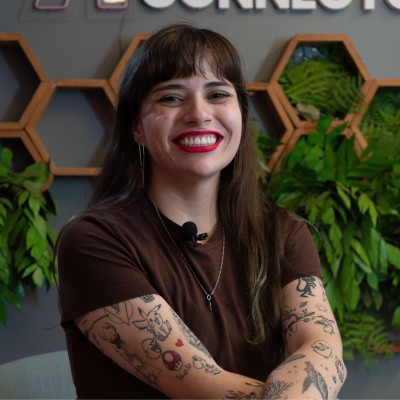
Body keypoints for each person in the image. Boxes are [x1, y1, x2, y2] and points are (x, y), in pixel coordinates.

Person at [57, 23, 347, 399]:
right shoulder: (95, 241)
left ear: (240, 114)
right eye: (171, 98)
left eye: (218, 94)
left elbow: (321, 350)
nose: (198, 114)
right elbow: (203, 386)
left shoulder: (282, 232)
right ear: (136, 127)